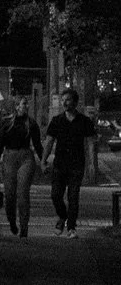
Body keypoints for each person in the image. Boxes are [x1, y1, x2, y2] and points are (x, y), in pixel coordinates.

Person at [44, 87, 94, 238]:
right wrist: (43, 160)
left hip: (77, 164)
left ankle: (71, 227)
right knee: (55, 195)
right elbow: (49, 141)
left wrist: (91, 163)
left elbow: (90, 143)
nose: (65, 103)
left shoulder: (84, 121)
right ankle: (62, 216)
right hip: (60, 163)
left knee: (73, 196)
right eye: (63, 100)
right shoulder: (57, 121)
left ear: (75, 102)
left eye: (68, 100)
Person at [0, 101, 44, 236]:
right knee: (10, 194)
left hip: (26, 157)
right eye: (21, 104)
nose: (24, 107)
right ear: (16, 107)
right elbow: (1, 143)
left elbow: (37, 144)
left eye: (25, 104)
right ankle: (12, 221)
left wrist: (43, 160)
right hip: (10, 156)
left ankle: (24, 227)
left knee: (23, 193)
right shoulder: (7, 123)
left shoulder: (31, 123)